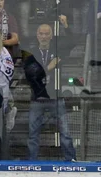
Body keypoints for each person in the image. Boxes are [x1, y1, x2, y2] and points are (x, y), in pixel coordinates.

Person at [23, 23, 77, 161]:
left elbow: (73, 42)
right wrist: (49, 67)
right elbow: (31, 74)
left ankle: (71, 160)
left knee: (65, 132)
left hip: (55, 97)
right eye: (41, 33)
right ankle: (31, 162)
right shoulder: (30, 53)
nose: (44, 37)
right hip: (37, 98)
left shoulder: (57, 49)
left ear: (51, 36)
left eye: (47, 34)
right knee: (32, 133)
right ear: (37, 35)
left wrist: (66, 26)